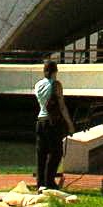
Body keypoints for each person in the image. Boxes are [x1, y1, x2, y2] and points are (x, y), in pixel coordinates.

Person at [33, 59, 74, 191]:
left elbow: (42, 102)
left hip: (40, 121)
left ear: (44, 71)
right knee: (56, 152)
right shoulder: (56, 85)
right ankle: (49, 182)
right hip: (52, 122)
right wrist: (70, 124)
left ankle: (40, 184)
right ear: (55, 71)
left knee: (42, 154)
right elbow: (61, 106)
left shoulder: (38, 85)